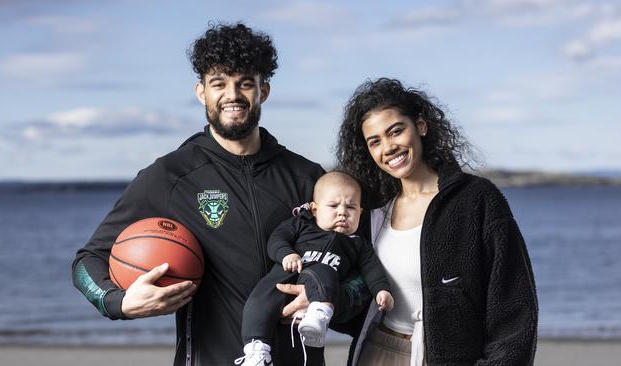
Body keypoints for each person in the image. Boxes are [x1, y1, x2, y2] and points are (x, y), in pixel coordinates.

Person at [71, 23, 368, 366]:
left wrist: (332, 299)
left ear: (264, 90)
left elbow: (361, 263)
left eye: (245, 83)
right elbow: (87, 260)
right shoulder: (171, 175)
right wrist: (117, 302)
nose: (233, 94)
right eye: (219, 83)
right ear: (201, 92)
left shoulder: (309, 179)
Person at [336, 78, 539, 365]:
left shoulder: (476, 199)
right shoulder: (373, 212)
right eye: (375, 141)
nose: (388, 148)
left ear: (420, 126)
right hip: (376, 352)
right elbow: (354, 295)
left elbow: (514, 307)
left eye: (396, 131)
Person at [236, 171, 394, 365]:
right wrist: (286, 253)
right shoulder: (301, 224)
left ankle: (319, 315)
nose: (342, 212)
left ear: (360, 212)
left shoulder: (358, 244)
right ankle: (256, 349)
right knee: (260, 297)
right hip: (284, 278)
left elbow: (372, 269)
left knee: (324, 270)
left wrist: (382, 290)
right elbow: (277, 238)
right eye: (333, 206)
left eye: (351, 207)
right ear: (315, 209)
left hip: (321, 287)